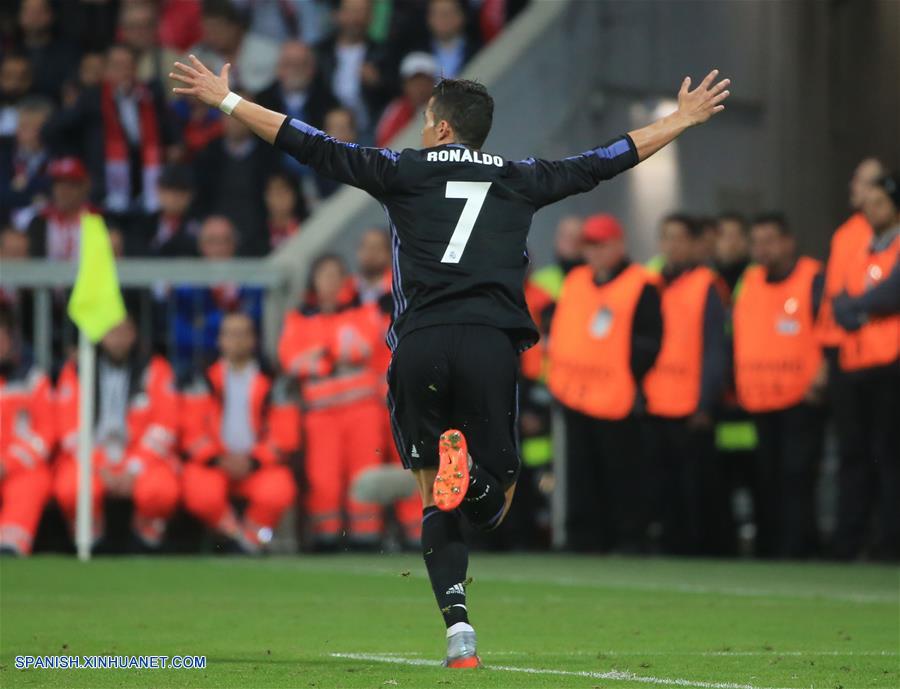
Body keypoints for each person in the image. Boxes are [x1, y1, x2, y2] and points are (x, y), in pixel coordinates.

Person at [171, 51, 730, 665]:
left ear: (441, 128)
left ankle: (459, 634)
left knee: (433, 498)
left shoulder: (402, 169)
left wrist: (227, 100)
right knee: (496, 507)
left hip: (421, 345)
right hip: (490, 343)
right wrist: (678, 120)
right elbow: (604, 159)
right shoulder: (521, 175)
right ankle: (474, 489)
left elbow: (310, 143)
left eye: (423, 119)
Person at [547, 214, 662, 552]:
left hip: (617, 397)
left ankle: (628, 538)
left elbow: (649, 341)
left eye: (600, 245)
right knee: (580, 475)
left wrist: (629, 373)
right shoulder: (576, 280)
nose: (593, 252)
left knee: (622, 474)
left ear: (618, 244)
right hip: (574, 394)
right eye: (589, 245)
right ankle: (584, 538)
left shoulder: (641, 283)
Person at [731, 213, 825, 558]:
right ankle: (771, 549)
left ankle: (800, 549)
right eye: (756, 242)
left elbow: (828, 331)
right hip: (758, 398)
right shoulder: (750, 280)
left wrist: (823, 376)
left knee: (797, 478)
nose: (762, 250)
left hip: (801, 398)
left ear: (788, 241)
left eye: (769, 241)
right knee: (767, 479)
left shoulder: (812, 277)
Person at [278, 255, 385, 549]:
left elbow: (363, 347)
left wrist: (318, 355)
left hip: (363, 409)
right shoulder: (298, 319)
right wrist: (330, 357)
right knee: (323, 477)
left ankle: (367, 536)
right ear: (314, 280)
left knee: (365, 474)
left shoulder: (363, 311)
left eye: (337, 274)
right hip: (321, 414)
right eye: (324, 275)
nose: (331, 281)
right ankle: (327, 537)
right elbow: (291, 361)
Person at [53, 316, 180, 551]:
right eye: (112, 331)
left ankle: (144, 542)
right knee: (71, 487)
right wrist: (100, 466)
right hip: (92, 457)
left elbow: (165, 426)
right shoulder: (78, 370)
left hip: (141, 457)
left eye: (125, 331)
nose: (119, 338)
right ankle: (90, 540)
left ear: (135, 334)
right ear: (100, 334)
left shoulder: (155, 368)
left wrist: (132, 467)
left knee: (161, 489)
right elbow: (69, 429)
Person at [643, 213, 729, 555]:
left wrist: (706, 403)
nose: (671, 245)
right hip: (655, 401)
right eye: (666, 238)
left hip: (690, 404)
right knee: (662, 486)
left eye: (679, 238)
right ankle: (670, 545)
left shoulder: (707, 284)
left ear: (695, 244)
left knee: (697, 487)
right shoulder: (651, 283)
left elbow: (714, 349)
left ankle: (700, 549)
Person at [180, 312, 299, 554]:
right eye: (230, 334)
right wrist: (218, 458)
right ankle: (236, 534)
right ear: (220, 340)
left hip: (257, 465)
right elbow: (191, 431)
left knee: (279, 489)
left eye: (243, 334)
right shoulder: (201, 378)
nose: (236, 340)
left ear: (253, 340)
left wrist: (254, 460)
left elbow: (285, 435)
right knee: (198, 490)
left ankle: (249, 539)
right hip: (214, 463)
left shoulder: (273, 380)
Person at [831, 172, 900, 561]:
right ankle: (853, 543)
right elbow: (839, 301)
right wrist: (859, 306)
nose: (870, 211)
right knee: (857, 458)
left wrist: (858, 305)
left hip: (891, 364)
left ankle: (891, 544)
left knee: (889, 459)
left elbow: (892, 293)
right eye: (868, 204)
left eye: (879, 204)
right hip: (858, 363)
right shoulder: (861, 248)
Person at [170, 216, 264, 377]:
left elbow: (257, 324)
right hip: (199, 365)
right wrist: (226, 337)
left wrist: (206, 324)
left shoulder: (251, 283)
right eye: (212, 241)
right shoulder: (187, 287)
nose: (219, 248)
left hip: (246, 362)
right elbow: (180, 334)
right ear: (201, 245)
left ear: (234, 244)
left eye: (225, 240)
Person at [0, 308, 54, 556]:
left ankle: (9, 546)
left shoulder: (33, 379)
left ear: (11, 340)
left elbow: (46, 433)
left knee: (33, 479)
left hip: (18, 466)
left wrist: (8, 463)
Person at [376, 52, 438, 148]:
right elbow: (384, 144)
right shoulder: (396, 110)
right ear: (404, 85)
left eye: (424, 82)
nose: (420, 88)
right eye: (415, 82)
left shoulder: (444, 108)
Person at [264, 171, 307, 250]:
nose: (280, 197)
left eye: (284, 191)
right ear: (266, 197)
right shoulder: (258, 235)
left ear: (294, 195)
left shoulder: (308, 226)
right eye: (275, 192)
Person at [715, 212, 750, 292]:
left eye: (736, 235)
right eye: (725, 236)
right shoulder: (705, 276)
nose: (731, 242)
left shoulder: (758, 275)